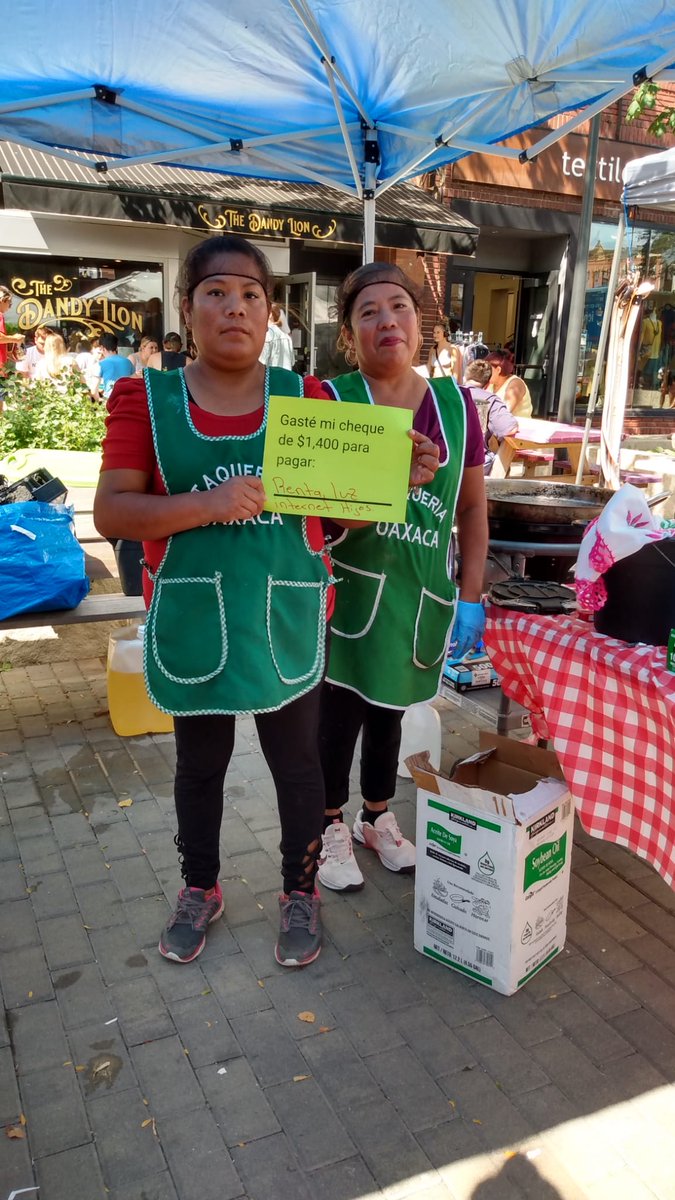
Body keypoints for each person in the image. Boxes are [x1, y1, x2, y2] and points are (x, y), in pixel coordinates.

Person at [92, 235, 337, 970]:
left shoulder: (309, 398)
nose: (235, 307)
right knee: (199, 766)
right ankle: (200, 886)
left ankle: (301, 890)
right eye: (217, 292)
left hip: (284, 615)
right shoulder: (146, 397)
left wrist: (401, 470)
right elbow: (112, 513)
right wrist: (207, 503)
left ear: (271, 311)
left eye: (252, 295)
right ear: (187, 307)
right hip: (197, 616)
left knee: (297, 764)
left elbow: (344, 510)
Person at [316, 263, 488, 893]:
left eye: (399, 308)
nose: (386, 321)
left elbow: (470, 508)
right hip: (351, 588)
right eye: (368, 312)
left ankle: (377, 816)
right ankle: (328, 820)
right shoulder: (333, 401)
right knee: (339, 711)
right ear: (349, 333)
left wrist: (470, 596)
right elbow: (316, 515)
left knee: (391, 706)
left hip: (419, 593)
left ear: (421, 324)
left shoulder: (457, 404)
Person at [463, 359, 518, 474]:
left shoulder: (449, 393)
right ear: (487, 384)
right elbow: (509, 429)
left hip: (445, 459)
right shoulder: (490, 400)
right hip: (475, 463)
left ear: (465, 377)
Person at [486, 349, 532, 418]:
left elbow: (504, 412)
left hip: (519, 427)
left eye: (488, 369)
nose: (484, 372)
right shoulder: (491, 384)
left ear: (498, 370)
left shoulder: (515, 384)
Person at [98, 332, 135, 399]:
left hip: (110, 400)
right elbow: (134, 379)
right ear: (116, 346)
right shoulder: (128, 362)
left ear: (102, 347)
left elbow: (94, 390)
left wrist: (99, 401)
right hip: (126, 399)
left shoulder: (101, 364)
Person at [260, 303, 295, 370]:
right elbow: (292, 362)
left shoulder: (267, 335)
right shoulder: (287, 337)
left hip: (270, 378)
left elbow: (261, 361)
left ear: (270, 315)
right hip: (285, 378)